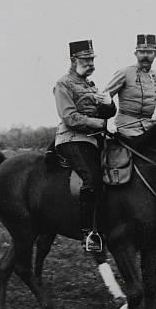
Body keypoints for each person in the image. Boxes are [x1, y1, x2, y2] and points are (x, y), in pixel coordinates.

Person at [54, 40, 116, 251]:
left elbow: (105, 113)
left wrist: (109, 104)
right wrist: (102, 123)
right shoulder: (63, 84)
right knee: (92, 179)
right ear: (74, 60)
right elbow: (70, 117)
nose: (90, 63)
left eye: (92, 59)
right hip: (73, 139)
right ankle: (89, 234)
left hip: (95, 139)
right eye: (86, 60)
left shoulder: (90, 85)